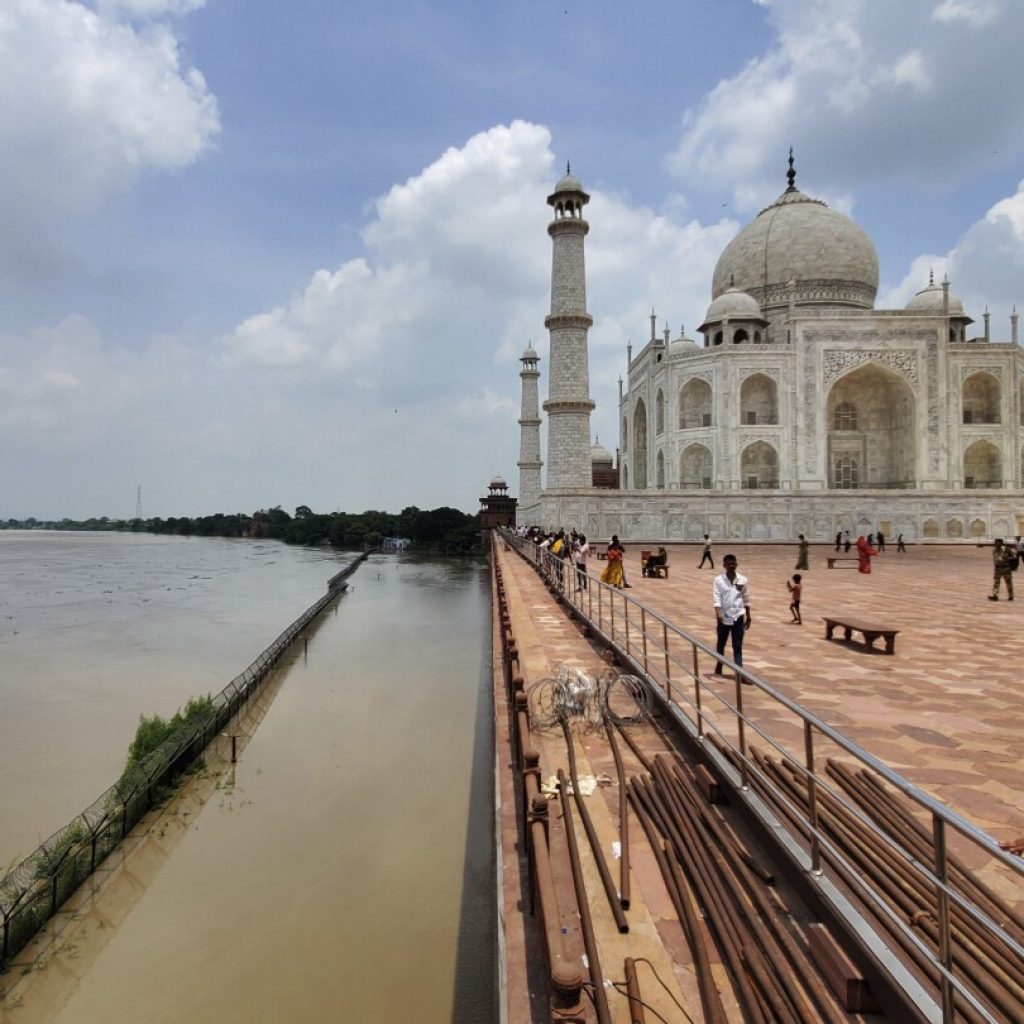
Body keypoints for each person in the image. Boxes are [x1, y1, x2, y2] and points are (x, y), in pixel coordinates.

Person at [712, 554, 751, 678]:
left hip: (738, 616)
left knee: (737, 645)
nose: (731, 566)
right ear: (724, 565)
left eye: (733, 564)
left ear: (736, 564)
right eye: (729, 564)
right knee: (721, 644)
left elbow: (746, 597)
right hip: (724, 616)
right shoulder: (719, 580)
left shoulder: (742, 580)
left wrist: (748, 615)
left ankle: (739, 673)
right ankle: (719, 665)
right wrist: (718, 612)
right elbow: (716, 596)